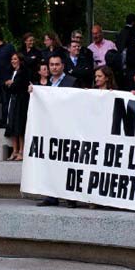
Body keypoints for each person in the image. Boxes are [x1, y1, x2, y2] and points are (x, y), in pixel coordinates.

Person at [35, 53, 80, 208]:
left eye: (57, 64)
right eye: (51, 65)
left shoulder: (72, 82)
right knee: (50, 162)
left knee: (67, 163)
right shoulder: (46, 85)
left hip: (66, 129)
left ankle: (70, 197)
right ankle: (51, 196)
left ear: (63, 66)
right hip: (49, 130)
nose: (54, 67)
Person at [4, 52, 30, 162]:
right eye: (12, 59)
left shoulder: (23, 72)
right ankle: (14, 151)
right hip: (13, 100)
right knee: (13, 126)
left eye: (15, 59)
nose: (13, 61)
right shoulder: (11, 72)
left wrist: (11, 84)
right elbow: (6, 86)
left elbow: (17, 86)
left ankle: (21, 151)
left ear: (20, 60)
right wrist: (10, 84)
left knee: (20, 126)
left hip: (21, 101)